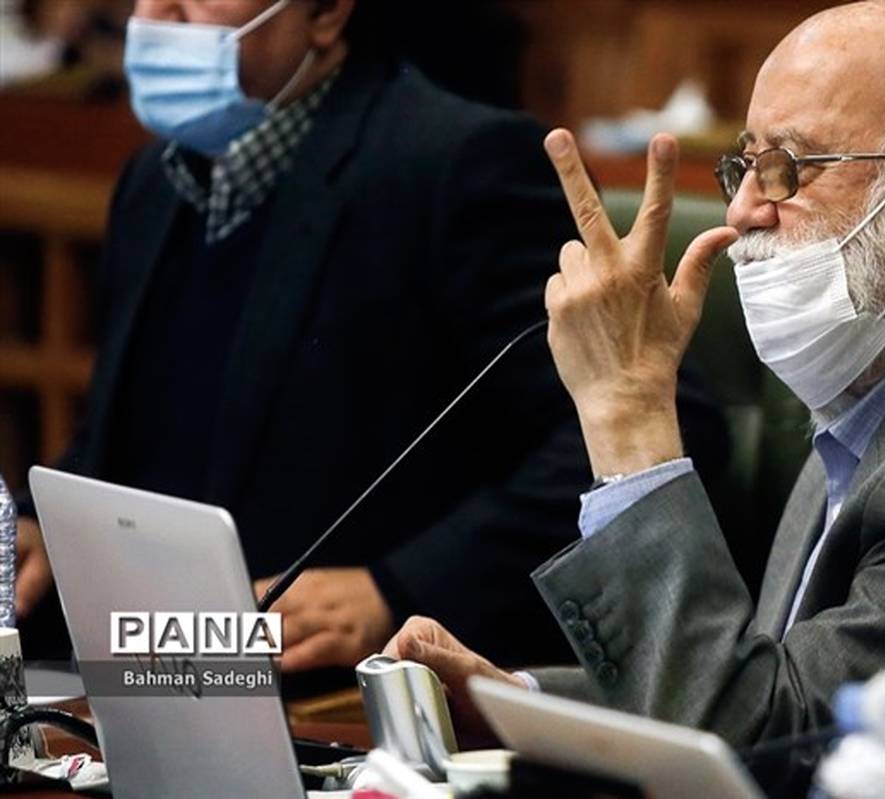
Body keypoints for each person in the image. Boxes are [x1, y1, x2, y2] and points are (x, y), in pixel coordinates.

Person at [384, 0, 885, 790]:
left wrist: (627, 413)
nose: (741, 211)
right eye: (744, 167)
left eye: (789, 169)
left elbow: (761, 758)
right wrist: (516, 702)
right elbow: (776, 689)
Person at [12, 0, 730, 683]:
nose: (155, 15)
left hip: (354, 690)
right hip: (162, 668)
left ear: (326, 12)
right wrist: (52, 525)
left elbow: (649, 424)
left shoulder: (460, 162)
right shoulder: (151, 180)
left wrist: (396, 588)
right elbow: (144, 428)